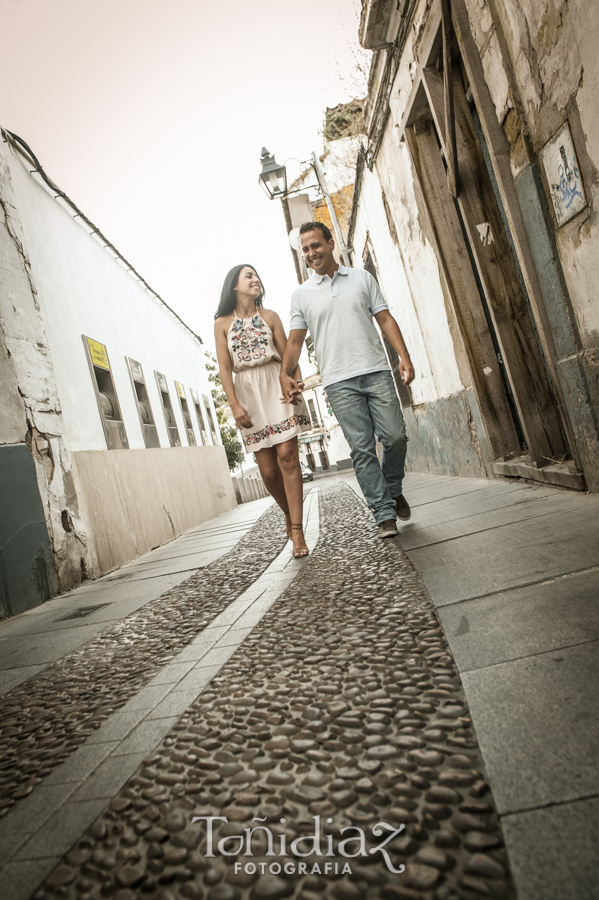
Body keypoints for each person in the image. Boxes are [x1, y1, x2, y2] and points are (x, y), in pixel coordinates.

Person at [280, 222, 415, 539]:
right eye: (306, 249)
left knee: (396, 437)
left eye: (316, 245)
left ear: (330, 244)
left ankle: (392, 488)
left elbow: (384, 318)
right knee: (362, 449)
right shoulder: (301, 295)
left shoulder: (361, 278)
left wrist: (404, 357)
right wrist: (286, 374)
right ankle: (383, 514)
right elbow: (296, 341)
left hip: (376, 369)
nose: (312, 253)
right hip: (338, 382)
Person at [214, 263, 311, 558]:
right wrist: (234, 404)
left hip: (276, 385)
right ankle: (288, 511)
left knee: (287, 459)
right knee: (268, 473)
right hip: (247, 393)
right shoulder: (221, 323)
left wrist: (295, 382)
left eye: (256, 276)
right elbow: (224, 369)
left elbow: (288, 355)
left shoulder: (270, 317)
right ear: (234, 285)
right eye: (248, 276)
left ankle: (297, 531)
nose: (255, 279)